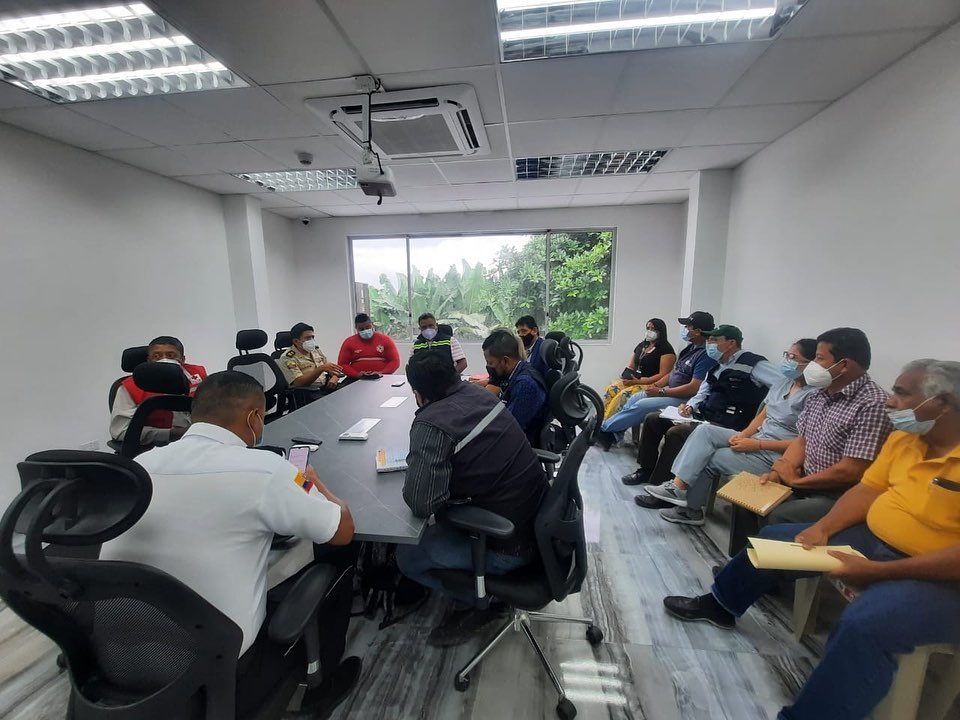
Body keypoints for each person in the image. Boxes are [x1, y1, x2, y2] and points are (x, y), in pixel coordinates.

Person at [662, 359, 960, 720]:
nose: (890, 400)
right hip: (874, 540)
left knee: (866, 624)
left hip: (940, 578)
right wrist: (825, 528)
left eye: (901, 393)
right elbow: (867, 490)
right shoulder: (906, 439)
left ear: (942, 404)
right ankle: (721, 605)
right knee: (773, 540)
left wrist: (879, 572)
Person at [101, 371, 361, 716]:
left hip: (114, 654)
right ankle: (318, 688)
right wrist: (312, 482)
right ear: (254, 418)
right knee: (338, 561)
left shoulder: (140, 465)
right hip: (218, 665)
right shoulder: (269, 469)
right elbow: (342, 530)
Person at [396, 351, 549, 648]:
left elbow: (422, 503)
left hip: (508, 545)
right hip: (534, 523)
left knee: (407, 556)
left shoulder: (432, 424)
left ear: (418, 394)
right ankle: (475, 585)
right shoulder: (480, 395)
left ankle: (480, 601)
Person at [641, 339, 818, 525]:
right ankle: (677, 487)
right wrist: (744, 435)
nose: (787, 360)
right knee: (705, 431)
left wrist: (756, 444)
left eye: (793, 357)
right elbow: (763, 415)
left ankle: (691, 510)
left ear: (811, 364)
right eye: (786, 355)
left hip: (775, 454)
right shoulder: (784, 382)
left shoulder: (814, 396)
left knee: (709, 456)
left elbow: (803, 443)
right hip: (756, 438)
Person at [757, 327, 891, 525]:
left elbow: (850, 471)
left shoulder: (872, 404)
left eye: (819, 358)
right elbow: (802, 441)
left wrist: (796, 482)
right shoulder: (819, 394)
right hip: (804, 479)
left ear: (844, 365)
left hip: (838, 493)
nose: (812, 364)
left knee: (778, 514)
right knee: (752, 498)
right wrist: (779, 473)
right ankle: (748, 546)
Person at [627, 325, 768, 489]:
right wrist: (689, 406)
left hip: (731, 424)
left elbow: (783, 387)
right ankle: (646, 470)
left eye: (714, 340)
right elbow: (702, 393)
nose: (709, 344)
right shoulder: (717, 366)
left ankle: (662, 485)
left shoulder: (754, 364)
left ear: (731, 343)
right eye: (709, 340)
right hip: (706, 417)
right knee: (653, 419)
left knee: (677, 433)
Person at [596, 311, 717, 451]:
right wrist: (655, 387)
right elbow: (673, 373)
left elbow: (693, 388)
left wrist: (661, 392)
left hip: (684, 399)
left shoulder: (705, 355)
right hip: (669, 391)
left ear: (697, 331)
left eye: (688, 327)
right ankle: (612, 435)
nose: (685, 330)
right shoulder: (690, 348)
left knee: (641, 405)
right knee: (634, 398)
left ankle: (603, 430)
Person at [109, 335, 207, 446]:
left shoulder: (197, 375)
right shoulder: (130, 387)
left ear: (182, 359)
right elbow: (120, 431)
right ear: (149, 360)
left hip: (199, 440)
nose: (164, 360)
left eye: (170, 355)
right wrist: (171, 433)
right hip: (156, 446)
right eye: (156, 356)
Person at [482, 329, 549, 444]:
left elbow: (509, 430)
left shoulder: (526, 385)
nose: (488, 366)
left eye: (490, 363)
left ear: (505, 361)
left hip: (519, 447)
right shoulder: (517, 373)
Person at [602, 318, 676, 419]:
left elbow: (663, 375)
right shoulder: (642, 345)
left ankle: (608, 422)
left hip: (651, 384)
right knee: (610, 389)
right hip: (634, 380)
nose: (649, 331)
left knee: (623, 395)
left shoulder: (666, 350)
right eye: (648, 328)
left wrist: (640, 381)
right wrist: (625, 375)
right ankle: (599, 417)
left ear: (661, 331)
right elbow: (631, 365)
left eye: (653, 329)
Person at [280, 322, 343, 395]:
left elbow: (331, 367)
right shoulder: (288, 357)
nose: (311, 340)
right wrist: (320, 369)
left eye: (312, 337)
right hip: (307, 393)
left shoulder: (315, 350)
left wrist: (334, 377)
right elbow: (299, 382)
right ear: (296, 341)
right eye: (308, 338)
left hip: (326, 387)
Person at [336, 313, 400, 383]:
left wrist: (382, 372)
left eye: (368, 327)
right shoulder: (349, 342)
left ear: (372, 324)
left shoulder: (385, 340)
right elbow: (342, 364)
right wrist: (357, 374)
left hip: (382, 378)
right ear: (356, 328)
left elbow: (395, 361)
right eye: (361, 329)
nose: (365, 330)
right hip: (356, 379)